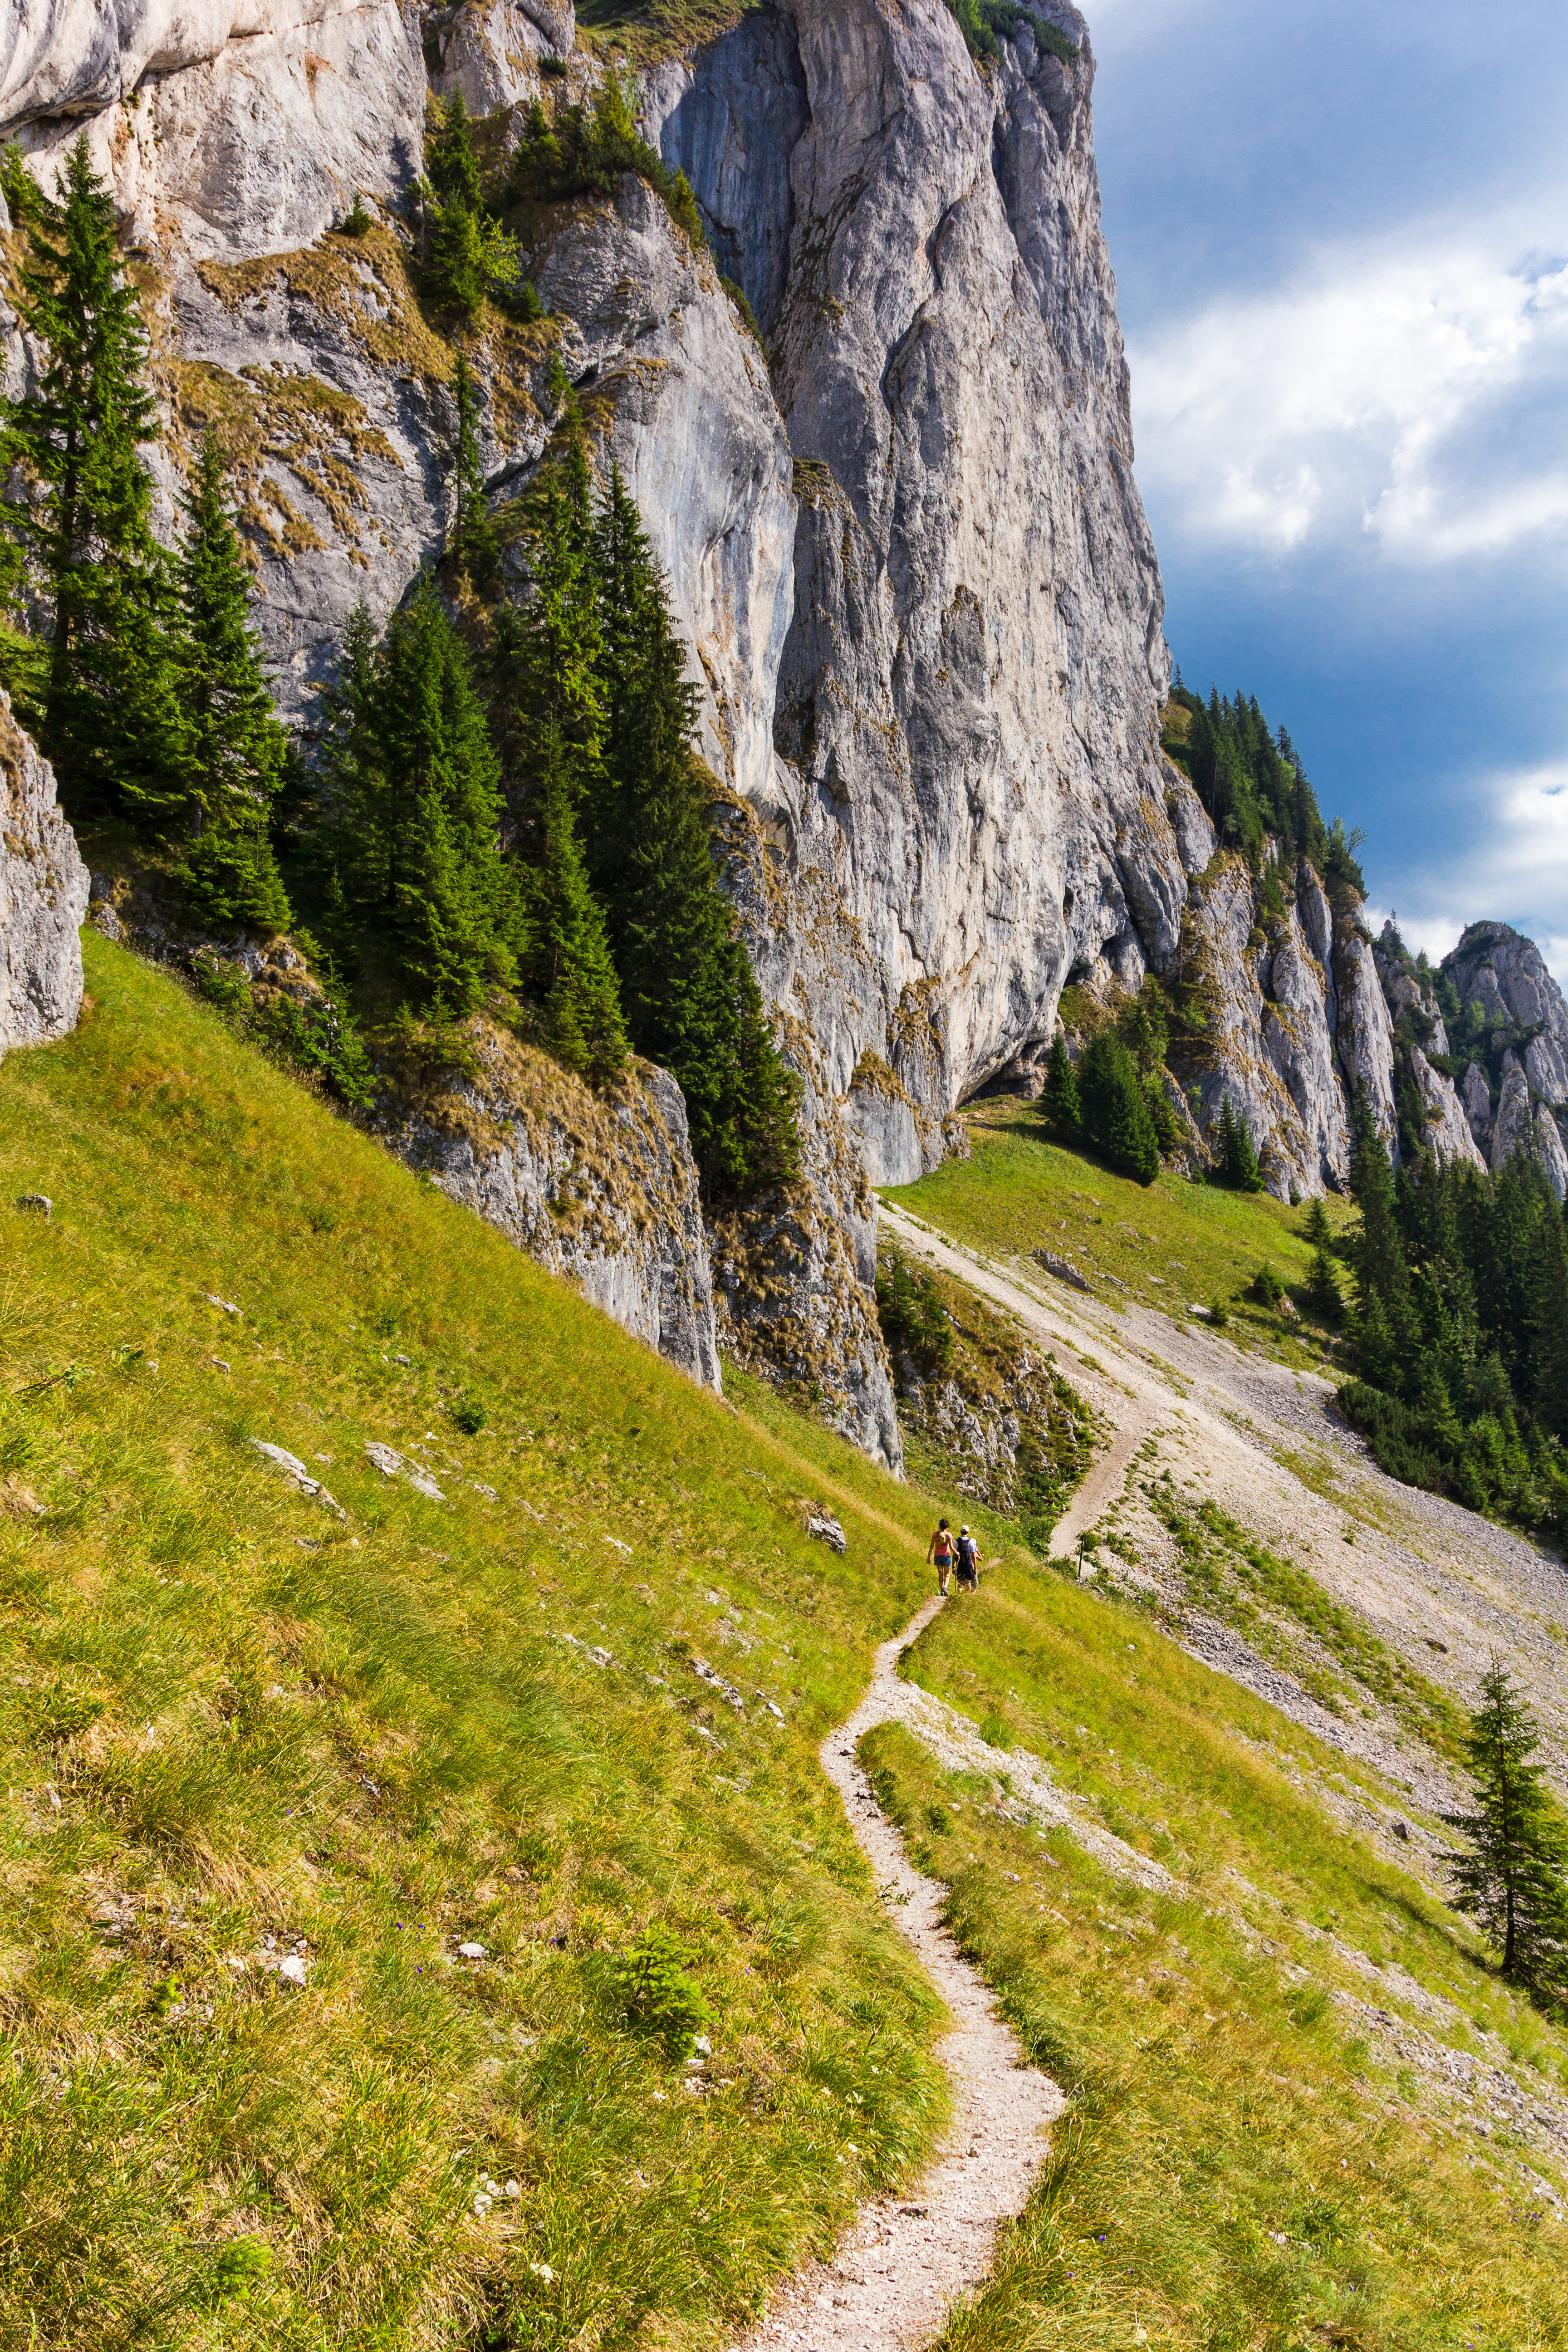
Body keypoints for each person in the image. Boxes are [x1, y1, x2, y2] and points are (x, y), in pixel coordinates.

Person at [927, 1516, 955, 1595]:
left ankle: (942, 1591)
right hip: (946, 1556)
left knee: (941, 1574)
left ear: (940, 1526)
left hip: (937, 1556)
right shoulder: (949, 1535)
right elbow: (952, 1547)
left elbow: (932, 1546)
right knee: (947, 1574)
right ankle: (945, 1587)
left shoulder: (935, 1535)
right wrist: (957, 1553)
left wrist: (929, 1557)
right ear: (947, 1527)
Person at [954, 1524, 981, 1591]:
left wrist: (953, 1567)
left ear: (960, 1531)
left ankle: (959, 1597)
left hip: (960, 1564)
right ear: (968, 1532)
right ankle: (966, 1597)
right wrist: (975, 1568)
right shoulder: (971, 1542)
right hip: (968, 1564)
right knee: (968, 1582)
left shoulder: (956, 1542)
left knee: (960, 1584)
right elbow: (974, 1557)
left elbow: (954, 1555)